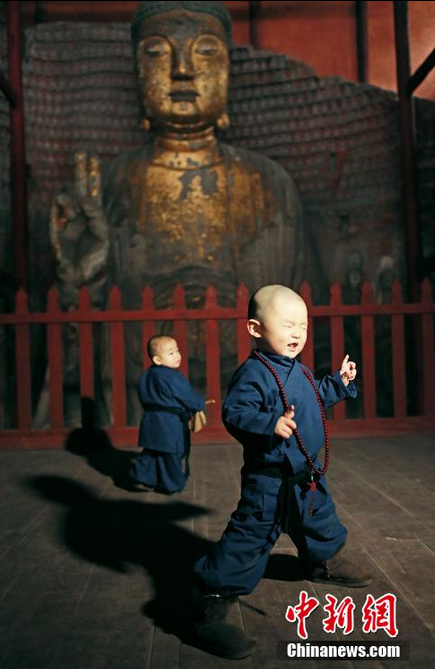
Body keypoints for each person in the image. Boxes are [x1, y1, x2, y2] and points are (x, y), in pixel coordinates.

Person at [49, 0, 311, 427]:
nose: (182, 69)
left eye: (206, 50)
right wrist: (79, 274)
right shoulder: (113, 182)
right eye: (157, 53)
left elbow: (305, 302)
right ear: (137, 72)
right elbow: (81, 317)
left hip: (251, 378)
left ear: (228, 68)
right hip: (141, 381)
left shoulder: (269, 183)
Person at [190, 285, 372, 659]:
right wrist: (269, 423)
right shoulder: (253, 374)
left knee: (320, 518)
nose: (297, 333)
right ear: (256, 329)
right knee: (250, 535)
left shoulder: (299, 370)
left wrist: (340, 383)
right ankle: (209, 602)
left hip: (305, 472)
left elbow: (315, 395)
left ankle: (324, 562)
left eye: (302, 326)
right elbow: (235, 413)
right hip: (269, 479)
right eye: (287, 324)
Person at [128, 334, 205, 494]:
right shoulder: (172, 376)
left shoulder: (147, 375)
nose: (177, 355)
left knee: (153, 451)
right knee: (172, 454)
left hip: (150, 420)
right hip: (169, 422)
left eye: (177, 350)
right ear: (157, 359)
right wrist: (199, 403)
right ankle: (171, 485)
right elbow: (186, 396)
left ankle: (142, 475)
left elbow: (143, 395)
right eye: (171, 353)